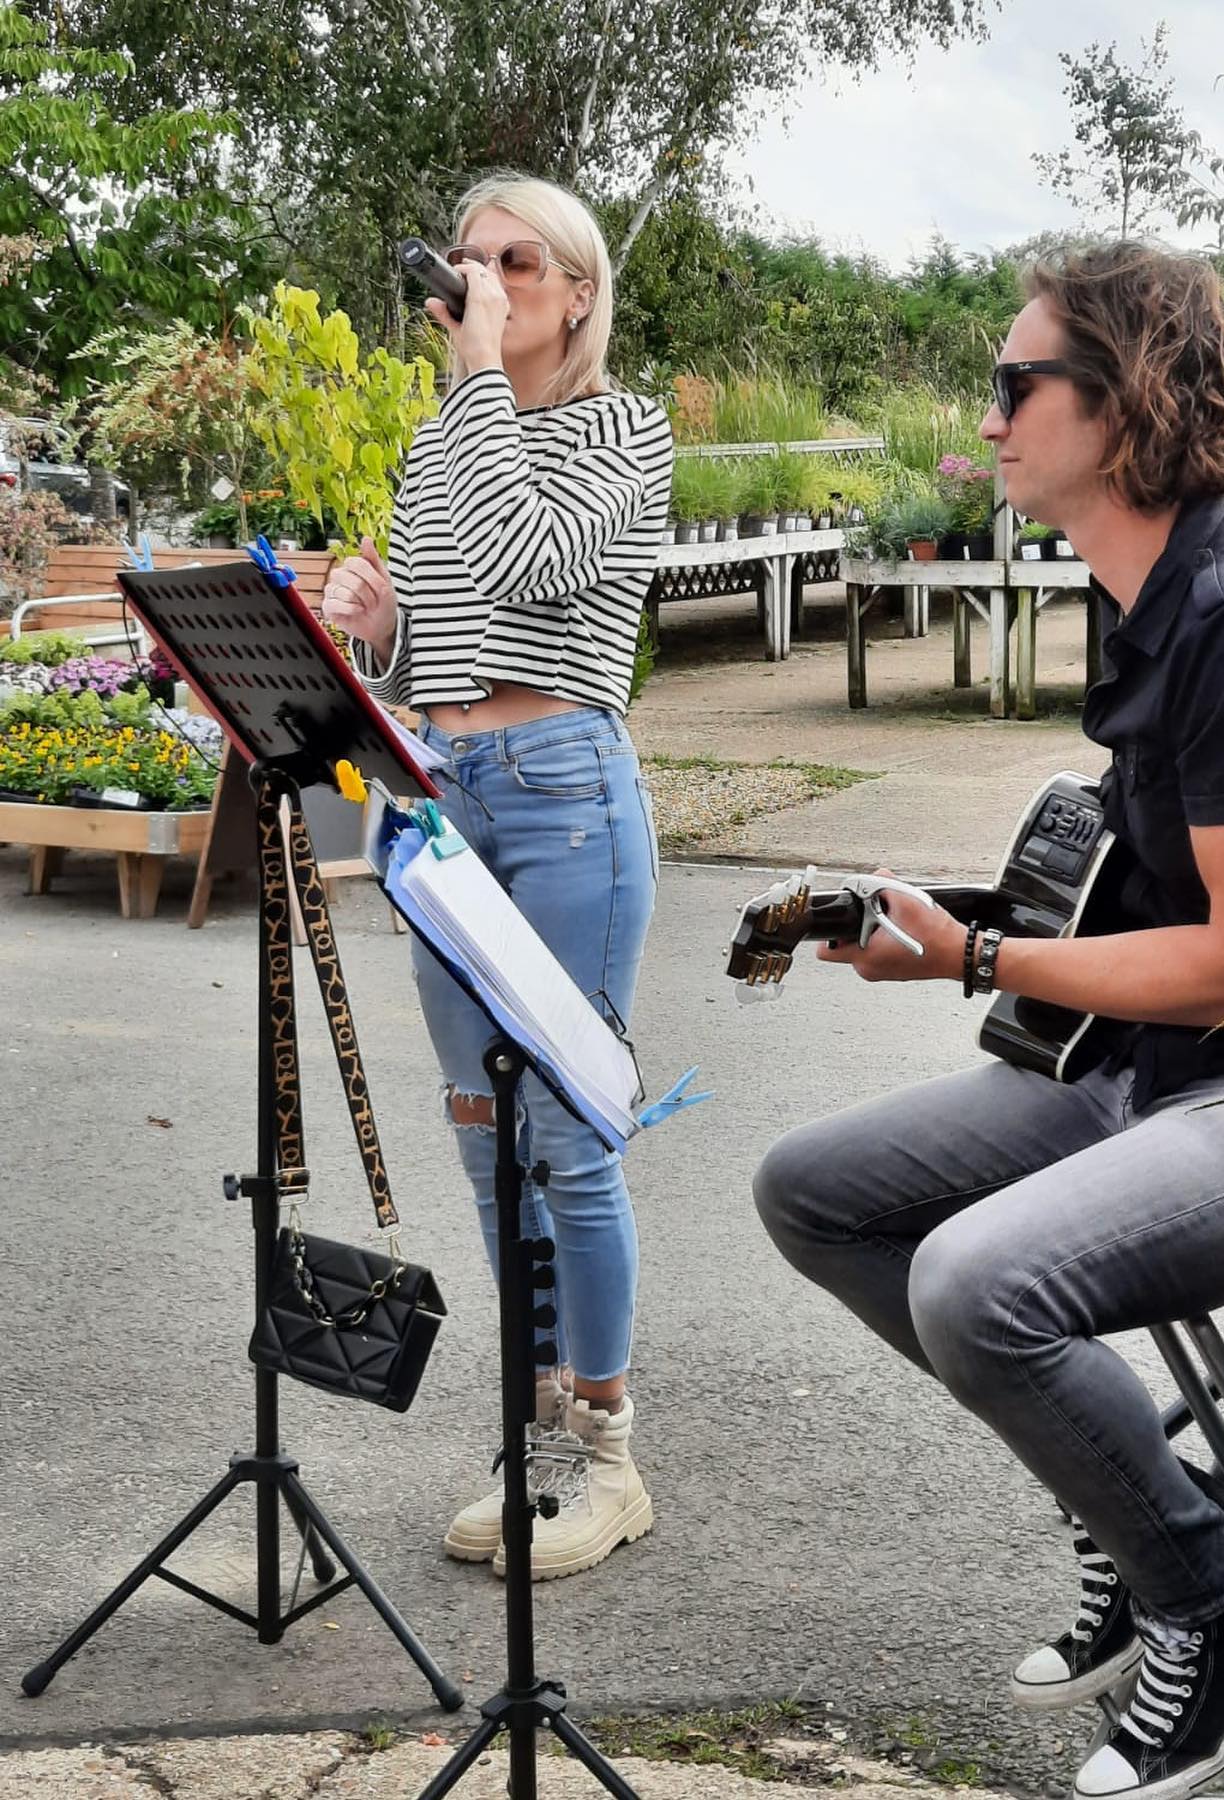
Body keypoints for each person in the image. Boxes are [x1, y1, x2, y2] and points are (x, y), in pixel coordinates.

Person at [753, 243, 1224, 1799]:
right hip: (1187, 1067)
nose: (986, 419)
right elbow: (1152, 926)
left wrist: (979, 969)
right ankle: (1153, 1520)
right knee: (813, 1191)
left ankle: (1220, 1594)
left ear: (1123, 406)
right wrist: (960, 931)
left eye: (1016, 385)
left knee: (976, 1280)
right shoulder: (1152, 599)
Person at [322, 171, 672, 1581]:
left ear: (576, 291)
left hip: (568, 798)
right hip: (449, 798)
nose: (484, 283)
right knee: (481, 1134)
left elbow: (533, 570)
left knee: (569, 1142)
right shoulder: (440, 441)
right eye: (467, 264)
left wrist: (474, 385)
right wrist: (382, 626)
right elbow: (440, 667)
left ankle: (607, 1458)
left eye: (517, 262)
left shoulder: (622, 432)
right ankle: (529, 1446)